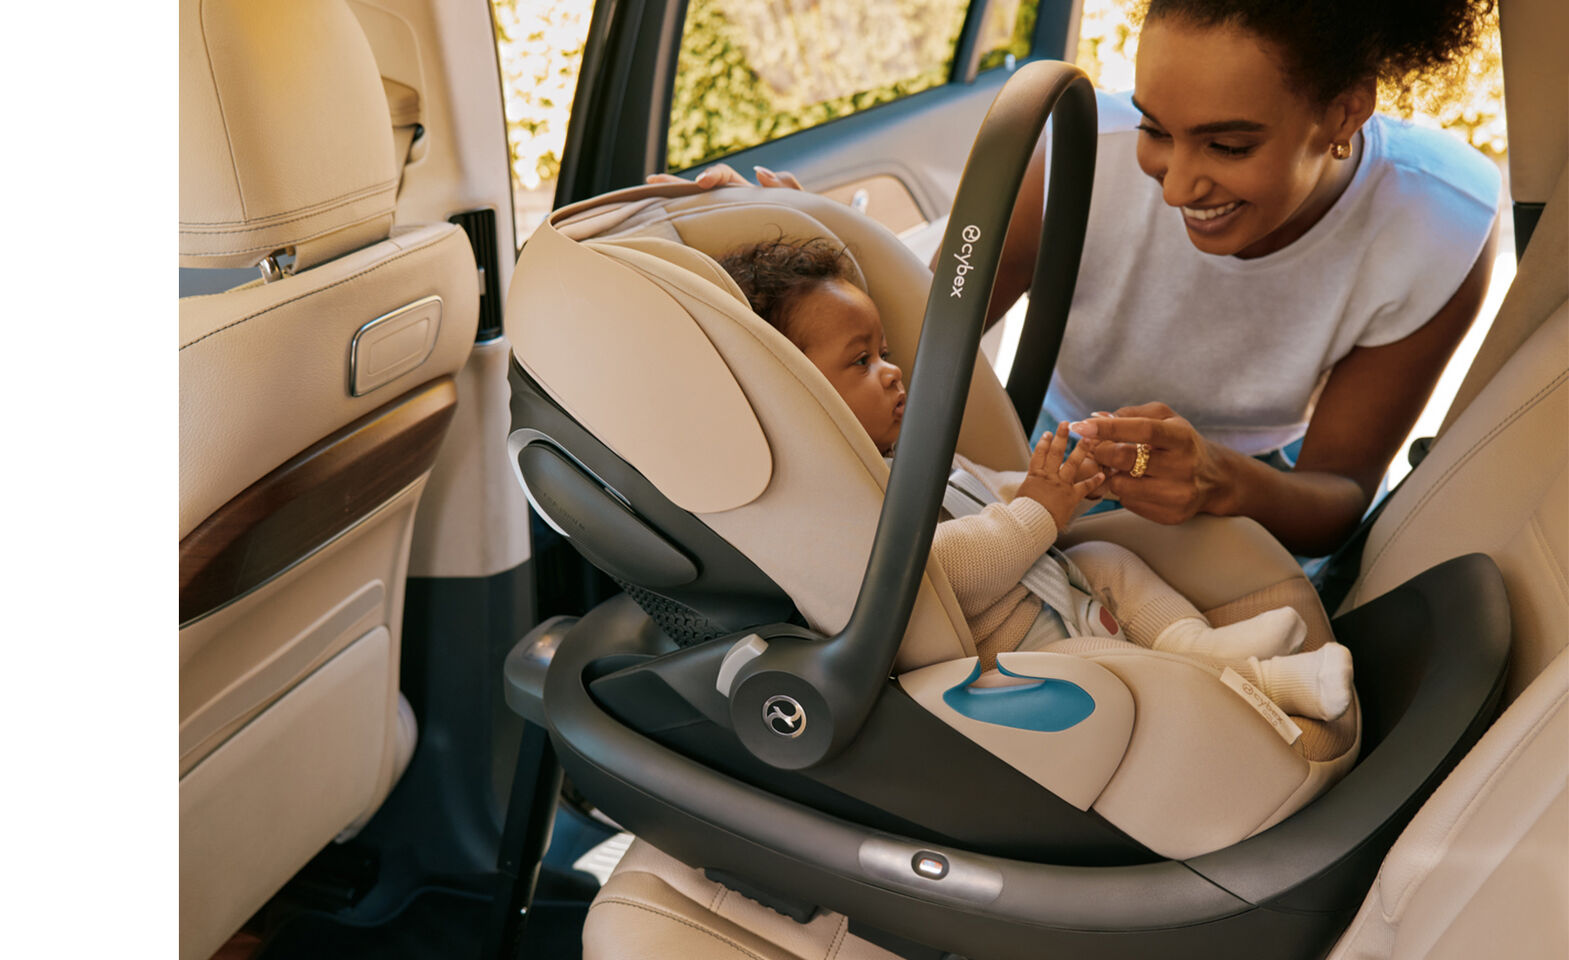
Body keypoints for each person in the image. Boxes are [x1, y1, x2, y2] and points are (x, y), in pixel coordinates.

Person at [654, 0, 1500, 559]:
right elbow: (929, 307)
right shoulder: (1077, 148)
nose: (1173, 186)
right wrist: (811, 245)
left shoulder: (1438, 226)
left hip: (1251, 489)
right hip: (1049, 453)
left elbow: (1337, 497)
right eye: (1157, 130)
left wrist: (1216, 478)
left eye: (1228, 146)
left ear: (1344, 111)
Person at [719, 237, 1353, 720]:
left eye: (885, 353)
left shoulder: (903, 460)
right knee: (1098, 668)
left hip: (1053, 591)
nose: (892, 372)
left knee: (1109, 558)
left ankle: (1202, 646)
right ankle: (1264, 687)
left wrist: (1058, 485)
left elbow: (984, 493)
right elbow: (939, 575)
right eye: (862, 361)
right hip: (1012, 666)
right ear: (790, 396)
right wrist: (1037, 513)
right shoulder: (831, 514)